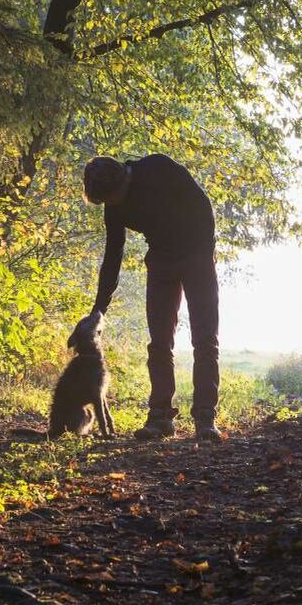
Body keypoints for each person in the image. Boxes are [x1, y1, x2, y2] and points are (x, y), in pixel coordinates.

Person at [73, 154, 220, 442]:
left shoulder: (160, 168)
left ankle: (205, 417)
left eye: (112, 198)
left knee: (204, 339)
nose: (113, 206)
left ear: (123, 178)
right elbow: (113, 254)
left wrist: (202, 253)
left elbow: (203, 207)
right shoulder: (113, 206)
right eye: (106, 203)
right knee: (159, 342)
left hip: (198, 255)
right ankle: (160, 417)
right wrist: (99, 307)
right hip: (161, 262)